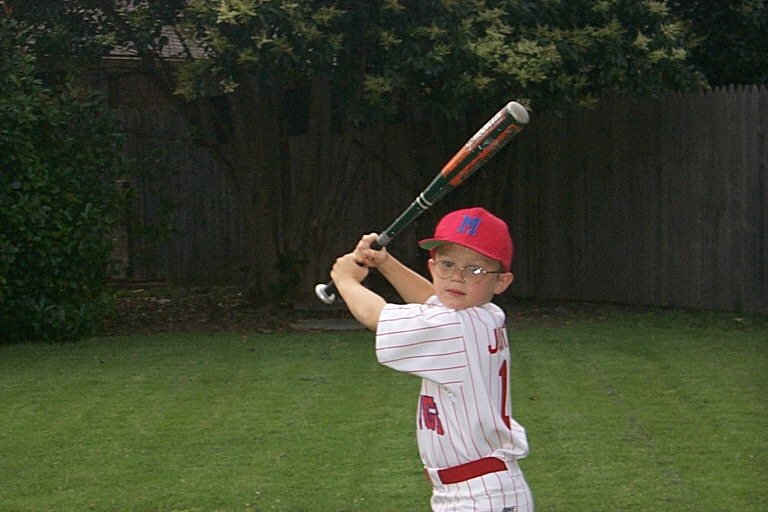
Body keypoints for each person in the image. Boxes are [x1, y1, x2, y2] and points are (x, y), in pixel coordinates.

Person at [330, 206, 533, 512]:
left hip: (480, 496)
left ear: (501, 282)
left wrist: (345, 280)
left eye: (475, 269)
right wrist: (385, 263)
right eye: (447, 264)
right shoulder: (486, 314)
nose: (457, 278)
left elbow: (376, 316)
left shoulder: (454, 328)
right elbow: (433, 300)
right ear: (432, 266)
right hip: (478, 489)